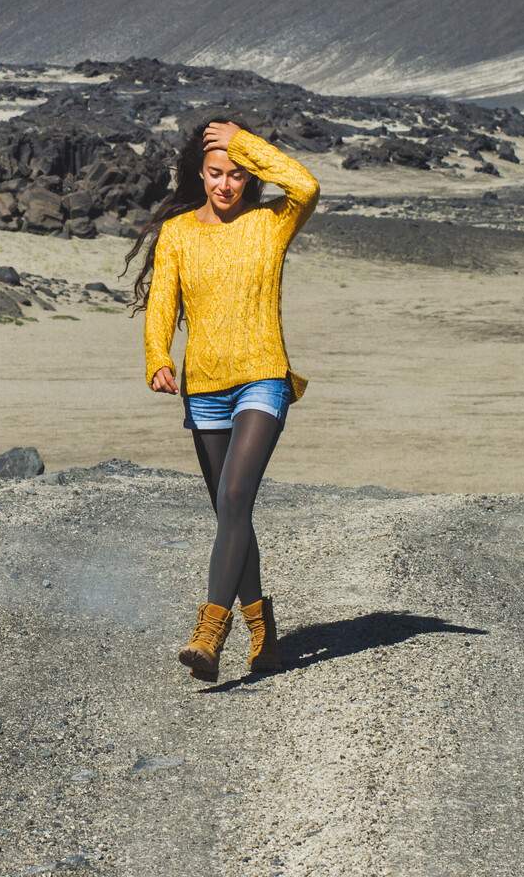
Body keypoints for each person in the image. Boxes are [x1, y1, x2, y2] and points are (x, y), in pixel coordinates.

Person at [124, 115, 320, 681]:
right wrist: (157, 358)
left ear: (250, 176)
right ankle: (264, 629)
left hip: (263, 378)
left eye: (237, 174)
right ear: (198, 174)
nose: (226, 185)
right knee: (231, 513)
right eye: (216, 173)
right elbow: (162, 300)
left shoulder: (271, 224)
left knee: (235, 497)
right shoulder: (181, 233)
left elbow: (305, 185)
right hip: (205, 387)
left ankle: (210, 631)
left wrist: (244, 143)